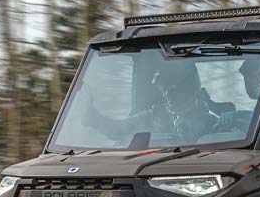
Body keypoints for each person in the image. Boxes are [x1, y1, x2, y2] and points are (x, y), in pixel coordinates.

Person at [84, 59, 218, 145]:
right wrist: (93, 117)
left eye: (173, 90)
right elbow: (120, 129)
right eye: (164, 89)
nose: (167, 96)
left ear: (190, 90)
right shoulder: (154, 116)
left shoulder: (211, 124)